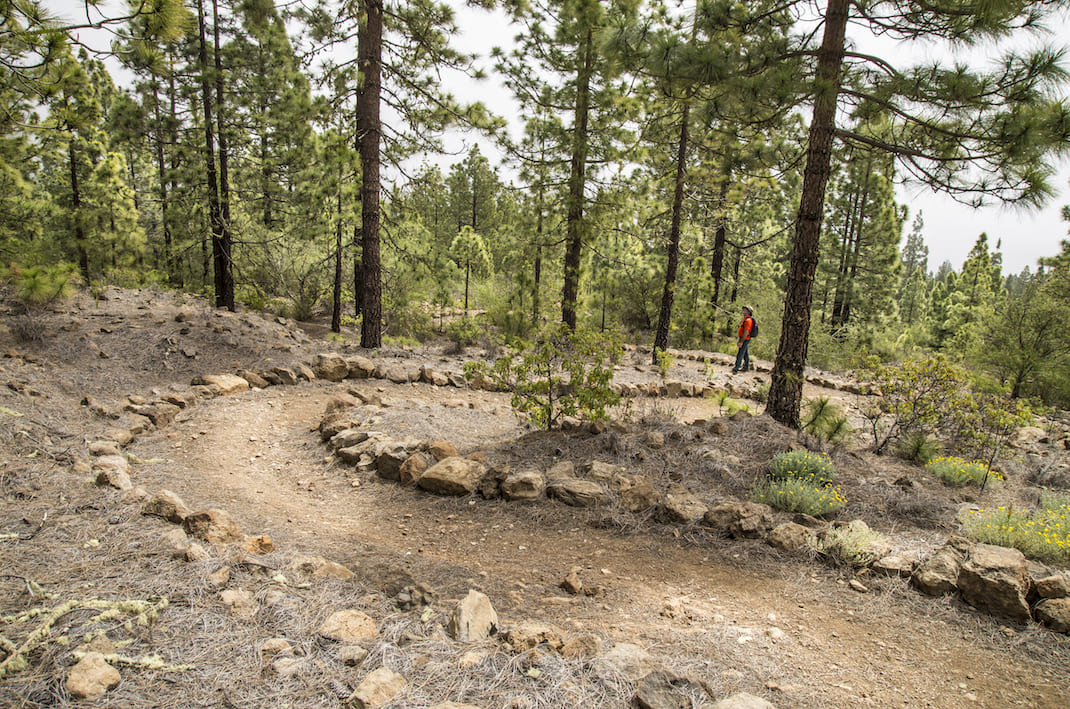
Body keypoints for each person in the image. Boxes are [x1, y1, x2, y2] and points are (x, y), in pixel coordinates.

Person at [731, 306, 754, 373]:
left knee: (740, 353)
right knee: (745, 353)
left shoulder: (748, 320)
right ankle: (746, 366)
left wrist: (741, 341)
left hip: (745, 339)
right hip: (744, 338)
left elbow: (746, 332)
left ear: (749, 312)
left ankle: (736, 368)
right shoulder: (745, 319)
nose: (743, 310)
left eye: (745, 309)